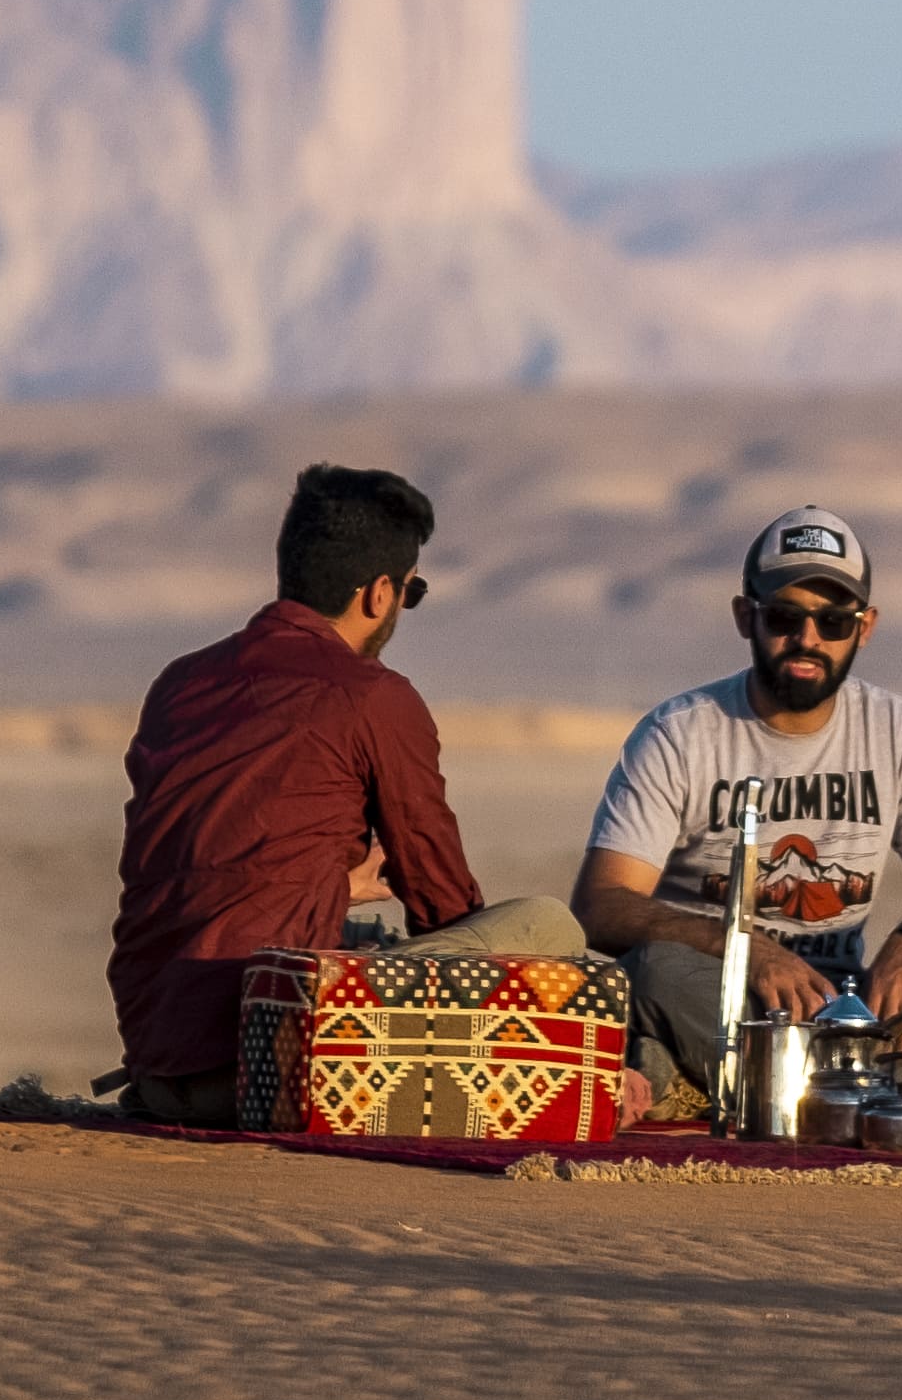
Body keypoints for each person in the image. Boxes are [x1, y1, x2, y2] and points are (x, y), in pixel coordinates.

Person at [572, 505, 902, 1129]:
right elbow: (602, 907)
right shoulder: (681, 734)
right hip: (729, 999)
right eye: (786, 617)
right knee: (654, 973)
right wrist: (745, 949)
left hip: (855, 1012)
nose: (808, 639)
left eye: (834, 621)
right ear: (746, 617)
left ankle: (755, 1089)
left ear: (865, 628)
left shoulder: (896, 730)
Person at [104, 461, 583, 1125]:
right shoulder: (371, 695)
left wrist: (328, 885)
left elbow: (209, 857)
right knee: (546, 924)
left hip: (156, 1067)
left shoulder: (180, 681)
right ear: (379, 593)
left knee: (357, 932)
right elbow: (439, 898)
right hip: (269, 1073)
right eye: (411, 594)